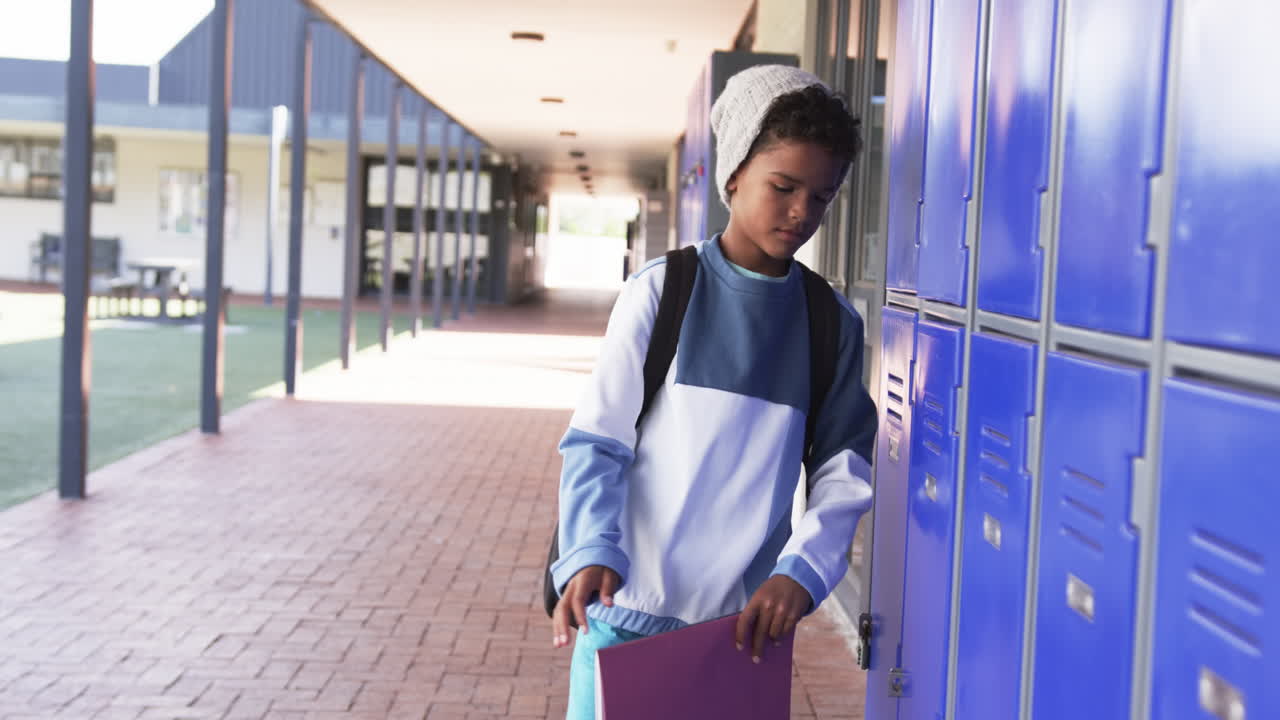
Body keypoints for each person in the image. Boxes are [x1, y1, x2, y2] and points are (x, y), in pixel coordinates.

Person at [549, 64, 877, 719]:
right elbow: (598, 441)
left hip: (742, 631)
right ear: (733, 176)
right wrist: (589, 548)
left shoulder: (830, 324)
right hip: (625, 612)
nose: (801, 212)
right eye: (783, 187)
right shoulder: (661, 291)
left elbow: (843, 471)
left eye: (822, 196)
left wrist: (800, 570)